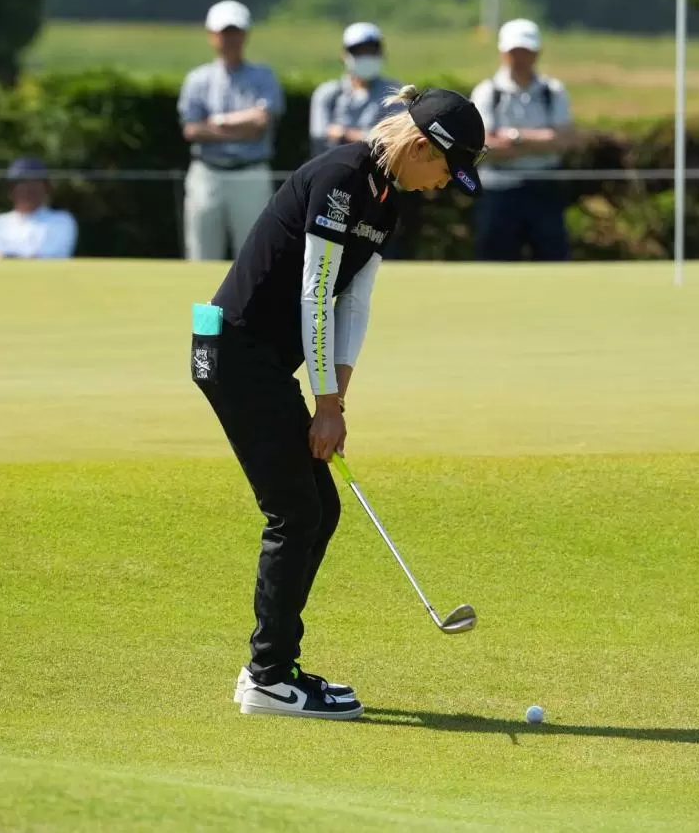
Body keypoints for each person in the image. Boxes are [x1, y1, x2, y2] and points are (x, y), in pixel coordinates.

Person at [192, 86, 486, 720]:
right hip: (234, 352)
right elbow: (314, 293)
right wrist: (324, 403)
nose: (439, 186)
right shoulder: (339, 178)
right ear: (419, 145)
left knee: (319, 508)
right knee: (296, 512)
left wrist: (338, 401)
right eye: (442, 170)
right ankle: (268, 678)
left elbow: (353, 304)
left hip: (265, 363)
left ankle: (274, 667)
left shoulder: (387, 204)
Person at [178, 0, 285, 261]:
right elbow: (192, 129)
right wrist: (242, 128)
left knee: (254, 257)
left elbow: (262, 121)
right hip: (207, 174)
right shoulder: (197, 79)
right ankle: (205, 305)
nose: (230, 39)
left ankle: (250, 305)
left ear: (245, 35)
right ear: (211, 35)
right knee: (202, 255)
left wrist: (219, 122)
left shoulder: (263, 76)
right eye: (224, 33)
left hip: (251, 172)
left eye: (235, 32)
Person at [470, 19, 576, 262]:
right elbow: (484, 146)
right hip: (498, 190)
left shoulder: (553, 90)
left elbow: (563, 140)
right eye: (514, 51)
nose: (520, 57)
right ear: (503, 53)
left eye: (526, 51)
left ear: (537, 52)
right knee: (494, 263)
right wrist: (540, 140)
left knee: (553, 261)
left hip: (544, 189)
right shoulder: (487, 91)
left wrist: (514, 138)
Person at [309, 23, 401, 157]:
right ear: (343, 55)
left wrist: (345, 134)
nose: (365, 57)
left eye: (371, 51)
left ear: (381, 54)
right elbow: (320, 136)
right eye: (358, 52)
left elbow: (395, 138)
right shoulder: (326, 93)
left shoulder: (395, 93)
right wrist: (369, 136)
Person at [0, 157, 77, 259]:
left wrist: (3, 257)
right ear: (11, 189)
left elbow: (48, 258)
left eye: (35, 182)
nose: (28, 188)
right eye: (21, 182)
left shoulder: (62, 221)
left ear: (45, 188)